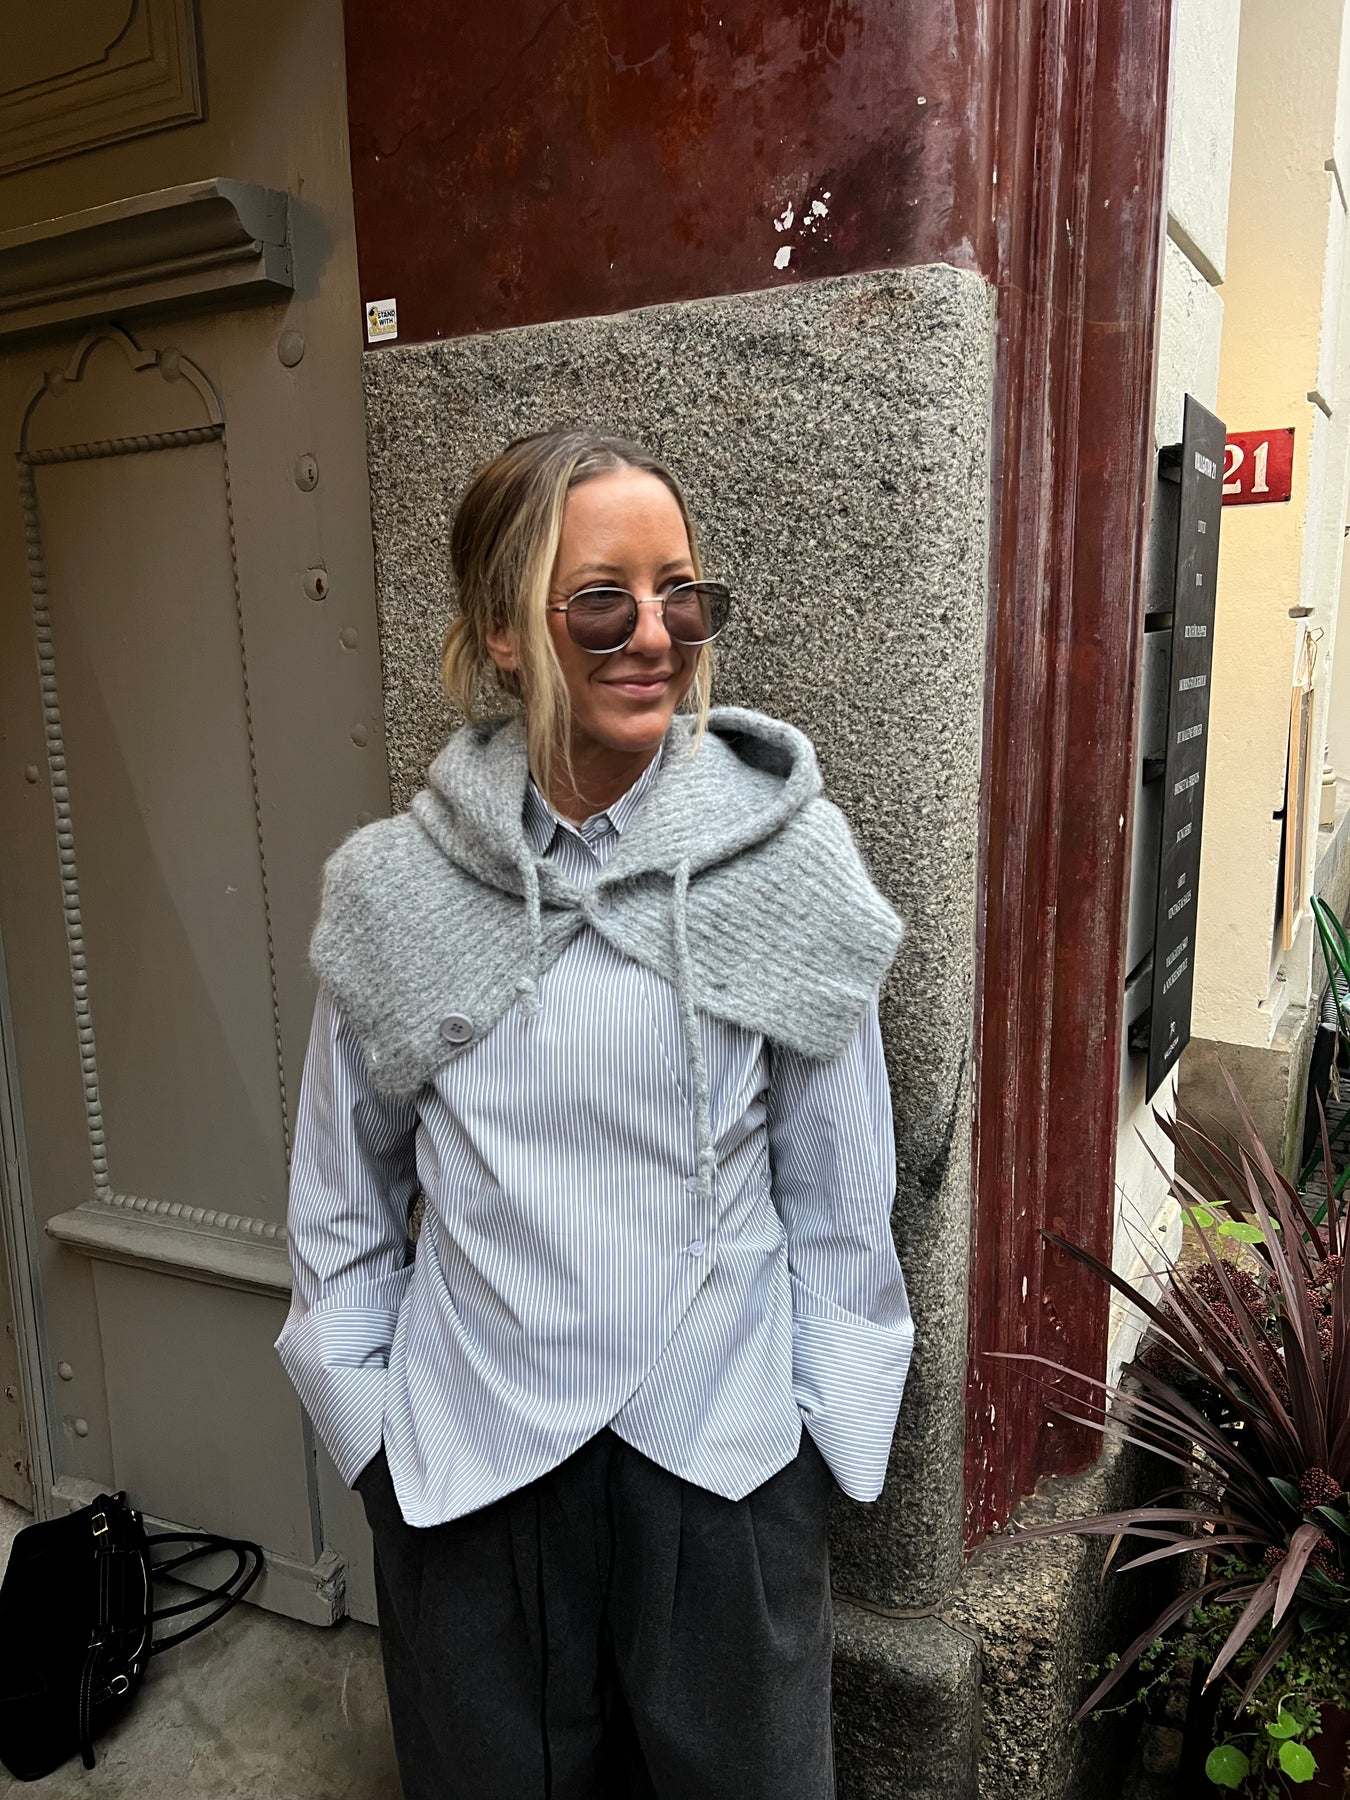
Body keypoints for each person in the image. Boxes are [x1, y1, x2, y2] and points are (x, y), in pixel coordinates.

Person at [276, 429, 915, 1800]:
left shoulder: (785, 866)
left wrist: (813, 1452)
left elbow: (841, 1198)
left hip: (725, 1465)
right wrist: (374, 1442)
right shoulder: (398, 893)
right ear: (503, 635)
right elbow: (340, 1198)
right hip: (471, 1476)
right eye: (602, 602)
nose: (654, 635)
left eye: (680, 593)